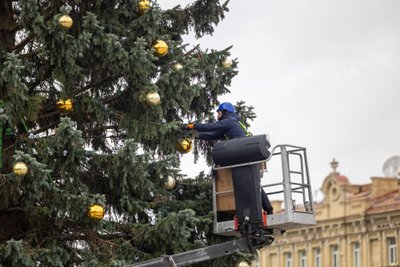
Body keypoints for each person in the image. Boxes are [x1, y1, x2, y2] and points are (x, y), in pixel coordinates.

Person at [183, 102, 273, 215]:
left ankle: (268, 210)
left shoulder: (230, 121)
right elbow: (212, 135)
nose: (217, 116)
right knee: (253, 183)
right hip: (245, 154)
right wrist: (195, 136)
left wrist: (192, 126)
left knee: (253, 184)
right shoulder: (229, 125)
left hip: (246, 153)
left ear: (225, 112)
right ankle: (268, 210)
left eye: (219, 113)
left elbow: (211, 127)